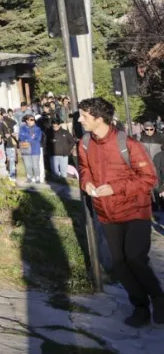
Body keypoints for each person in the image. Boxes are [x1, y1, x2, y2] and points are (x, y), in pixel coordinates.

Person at [77, 97, 163, 327]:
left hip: (135, 210)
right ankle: (140, 307)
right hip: (106, 213)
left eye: (84, 115)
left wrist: (115, 188)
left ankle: (158, 297)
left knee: (135, 257)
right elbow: (84, 169)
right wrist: (86, 183)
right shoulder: (84, 143)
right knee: (119, 263)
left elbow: (149, 179)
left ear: (98, 118)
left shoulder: (129, 144)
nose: (80, 119)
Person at [18, 115, 43, 184]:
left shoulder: (38, 129)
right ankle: (29, 177)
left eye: (33, 120)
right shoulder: (22, 128)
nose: (32, 121)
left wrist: (28, 139)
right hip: (25, 149)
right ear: (27, 121)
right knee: (28, 165)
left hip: (35, 149)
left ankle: (37, 178)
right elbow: (21, 137)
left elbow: (38, 138)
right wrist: (31, 137)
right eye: (31, 120)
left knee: (35, 165)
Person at [0, 108, 19, 178]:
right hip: (5, 144)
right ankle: (11, 176)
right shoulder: (2, 122)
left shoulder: (3, 122)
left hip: (8, 144)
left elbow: (14, 123)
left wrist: (5, 117)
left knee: (11, 159)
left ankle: (12, 176)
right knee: (9, 160)